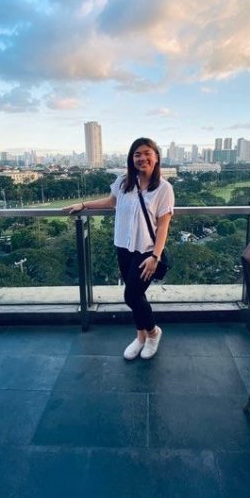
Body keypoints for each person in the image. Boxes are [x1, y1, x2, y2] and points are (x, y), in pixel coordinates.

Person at [64, 137, 174, 360]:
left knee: (131, 295)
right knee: (137, 295)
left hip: (147, 251)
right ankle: (140, 336)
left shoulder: (164, 188)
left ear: (156, 157)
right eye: (137, 154)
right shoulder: (124, 181)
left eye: (146, 153)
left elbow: (163, 225)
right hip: (123, 247)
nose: (142, 158)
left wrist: (156, 256)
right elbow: (111, 202)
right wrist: (84, 205)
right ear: (131, 158)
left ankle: (153, 333)